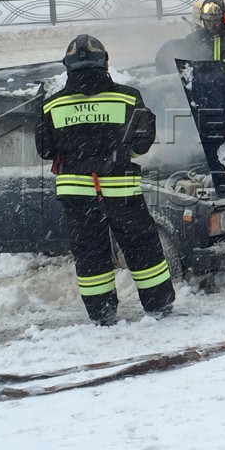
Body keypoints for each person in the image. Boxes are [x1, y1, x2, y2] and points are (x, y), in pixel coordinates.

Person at [34, 35, 175, 325]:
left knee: (89, 251)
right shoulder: (127, 97)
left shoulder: (52, 106)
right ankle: (158, 306)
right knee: (141, 246)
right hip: (120, 187)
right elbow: (142, 144)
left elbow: (46, 150)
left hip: (75, 191)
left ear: (68, 67)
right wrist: (116, 151)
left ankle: (102, 314)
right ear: (105, 63)